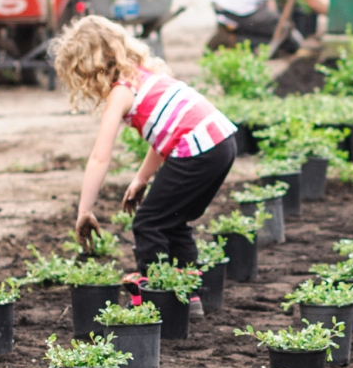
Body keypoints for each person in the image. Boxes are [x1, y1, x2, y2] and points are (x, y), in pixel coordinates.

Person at [54, 14, 240, 271]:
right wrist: (141, 178)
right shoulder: (147, 75)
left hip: (199, 147)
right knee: (173, 220)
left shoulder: (121, 93)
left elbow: (100, 157)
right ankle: (189, 297)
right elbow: (164, 137)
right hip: (221, 142)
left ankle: (155, 296)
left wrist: (84, 210)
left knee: (148, 222)